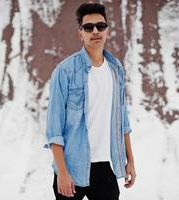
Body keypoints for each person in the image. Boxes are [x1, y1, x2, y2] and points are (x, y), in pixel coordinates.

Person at [45, 2, 136, 200]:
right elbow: (54, 130)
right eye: (88, 27)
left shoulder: (115, 69)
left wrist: (130, 160)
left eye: (100, 26)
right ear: (80, 33)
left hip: (104, 166)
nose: (95, 31)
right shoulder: (65, 71)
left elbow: (123, 121)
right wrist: (62, 172)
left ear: (107, 30)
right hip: (71, 168)